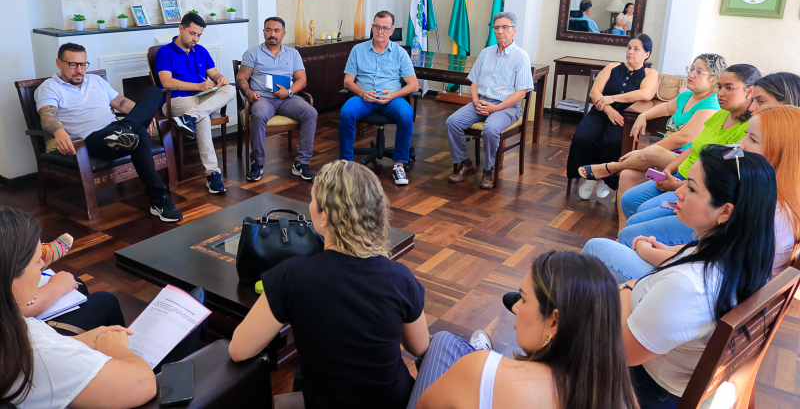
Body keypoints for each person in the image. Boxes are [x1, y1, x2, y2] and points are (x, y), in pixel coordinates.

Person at [229, 161, 430, 409]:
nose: (309, 205)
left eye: (312, 199)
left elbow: (239, 350)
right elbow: (420, 346)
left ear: (324, 216)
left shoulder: (291, 275)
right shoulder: (400, 277)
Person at [616, 146, 776, 407]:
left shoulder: (689, 285)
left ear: (725, 211)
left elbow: (625, 352)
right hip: (664, 368)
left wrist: (626, 290)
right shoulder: (741, 254)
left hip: (646, 389)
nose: (677, 192)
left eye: (690, 188)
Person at [584, 106, 800, 283]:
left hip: (699, 288)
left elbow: (702, 266)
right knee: (631, 215)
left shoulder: (761, 210)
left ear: (780, 151)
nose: (741, 144)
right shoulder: (773, 197)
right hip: (706, 278)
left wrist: (647, 250)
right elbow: (706, 251)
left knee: (598, 247)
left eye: (752, 139)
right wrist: (669, 249)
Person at [406, 251, 640, 409]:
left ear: (555, 322)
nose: (515, 307)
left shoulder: (482, 371)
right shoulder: (622, 395)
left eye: (524, 300)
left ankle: (472, 349)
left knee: (442, 343)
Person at [1, 207, 157, 408]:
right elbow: (143, 384)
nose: (42, 267)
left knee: (102, 299)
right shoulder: (33, 350)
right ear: (11, 278)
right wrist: (116, 348)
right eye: (38, 263)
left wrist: (89, 339)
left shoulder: (13, 329)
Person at [35, 43, 182, 222]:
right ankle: (159, 199)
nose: (79, 70)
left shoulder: (95, 80)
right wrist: (58, 130)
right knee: (141, 134)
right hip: (91, 140)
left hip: (116, 130)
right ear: (59, 63)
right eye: (73, 65)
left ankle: (126, 129)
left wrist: (143, 114)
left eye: (83, 64)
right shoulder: (49, 87)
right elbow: (47, 117)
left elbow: (122, 103)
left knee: (154, 91)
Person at [579, 54, 726, 221]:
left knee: (653, 150)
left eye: (699, 72)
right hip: (666, 157)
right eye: (691, 69)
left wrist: (645, 152)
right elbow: (665, 108)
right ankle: (623, 232)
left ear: (714, 79)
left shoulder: (712, 104)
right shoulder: (686, 96)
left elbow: (684, 138)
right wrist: (643, 116)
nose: (691, 74)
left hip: (686, 161)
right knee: (627, 175)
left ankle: (609, 168)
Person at [617, 64, 760, 223]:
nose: (721, 93)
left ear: (750, 91)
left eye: (729, 88)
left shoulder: (749, 131)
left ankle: (642, 240)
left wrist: (678, 186)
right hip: (680, 176)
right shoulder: (720, 115)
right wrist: (669, 170)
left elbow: (723, 170)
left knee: (643, 211)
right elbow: (694, 147)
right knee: (629, 199)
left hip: (698, 187)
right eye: (719, 87)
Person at [445, 12, 534, 190]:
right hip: (482, 102)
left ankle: (488, 171)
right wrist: (476, 100)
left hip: (507, 107)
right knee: (452, 122)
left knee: (490, 129)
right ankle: (466, 164)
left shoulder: (521, 57)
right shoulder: (486, 53)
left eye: (505, 27)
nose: (500, 31)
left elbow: (521, 93)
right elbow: (474, 82)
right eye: (496, 28)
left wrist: (497, 107)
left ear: (514, 30)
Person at [566, 34, 659, 200]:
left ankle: (604, 177)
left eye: (636, 49)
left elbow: (646, 93)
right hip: (601, 111)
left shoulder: (649, 73)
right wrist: (609, 109)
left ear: (647, 54)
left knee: (616, 142)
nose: (630, 51)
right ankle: (589, 177)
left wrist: (613, 98)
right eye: (629, 47)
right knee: (583, 137)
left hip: (626, 116)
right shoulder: (612, 67)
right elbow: (594, 92)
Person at [156, 13, 236, 195]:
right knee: (204, 118)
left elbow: (213, 74)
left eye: (199, 35)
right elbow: (167, 83)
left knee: (230, 89)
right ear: (181, 28)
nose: (195, 39)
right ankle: (213, 172)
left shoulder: (201, 51)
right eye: (192, 33)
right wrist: (198, 86)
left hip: (202, 98)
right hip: (176, 100)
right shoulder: (164, 52)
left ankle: (190, 117)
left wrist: (220, 78)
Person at [339, 10, 420, 185]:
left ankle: (399, 164)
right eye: (377, 26)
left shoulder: (400, 53)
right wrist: (362, 93)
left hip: (391, 99)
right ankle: (345, 164)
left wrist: (394, 94)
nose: (380, 31)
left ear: (392, 31)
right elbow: (347, 81)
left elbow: (414, 85)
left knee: (407, 114)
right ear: (372, 27)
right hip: (364, 98)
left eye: (384, 28)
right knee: (346, 112)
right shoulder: (358, 50)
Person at [236, 17, 318, 182]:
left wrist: (288, 92)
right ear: (264, 32)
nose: (272, 34)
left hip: (287, 98)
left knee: (311, 113)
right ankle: (257, 163)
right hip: (262, 98)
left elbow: (302, 80)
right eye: (268, 30)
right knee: (258, 114)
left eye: (276, 30)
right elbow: (241, 78)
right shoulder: (253, 53)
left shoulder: (293, 53)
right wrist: (249, 93)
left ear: (284, 33)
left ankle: (302, 163)